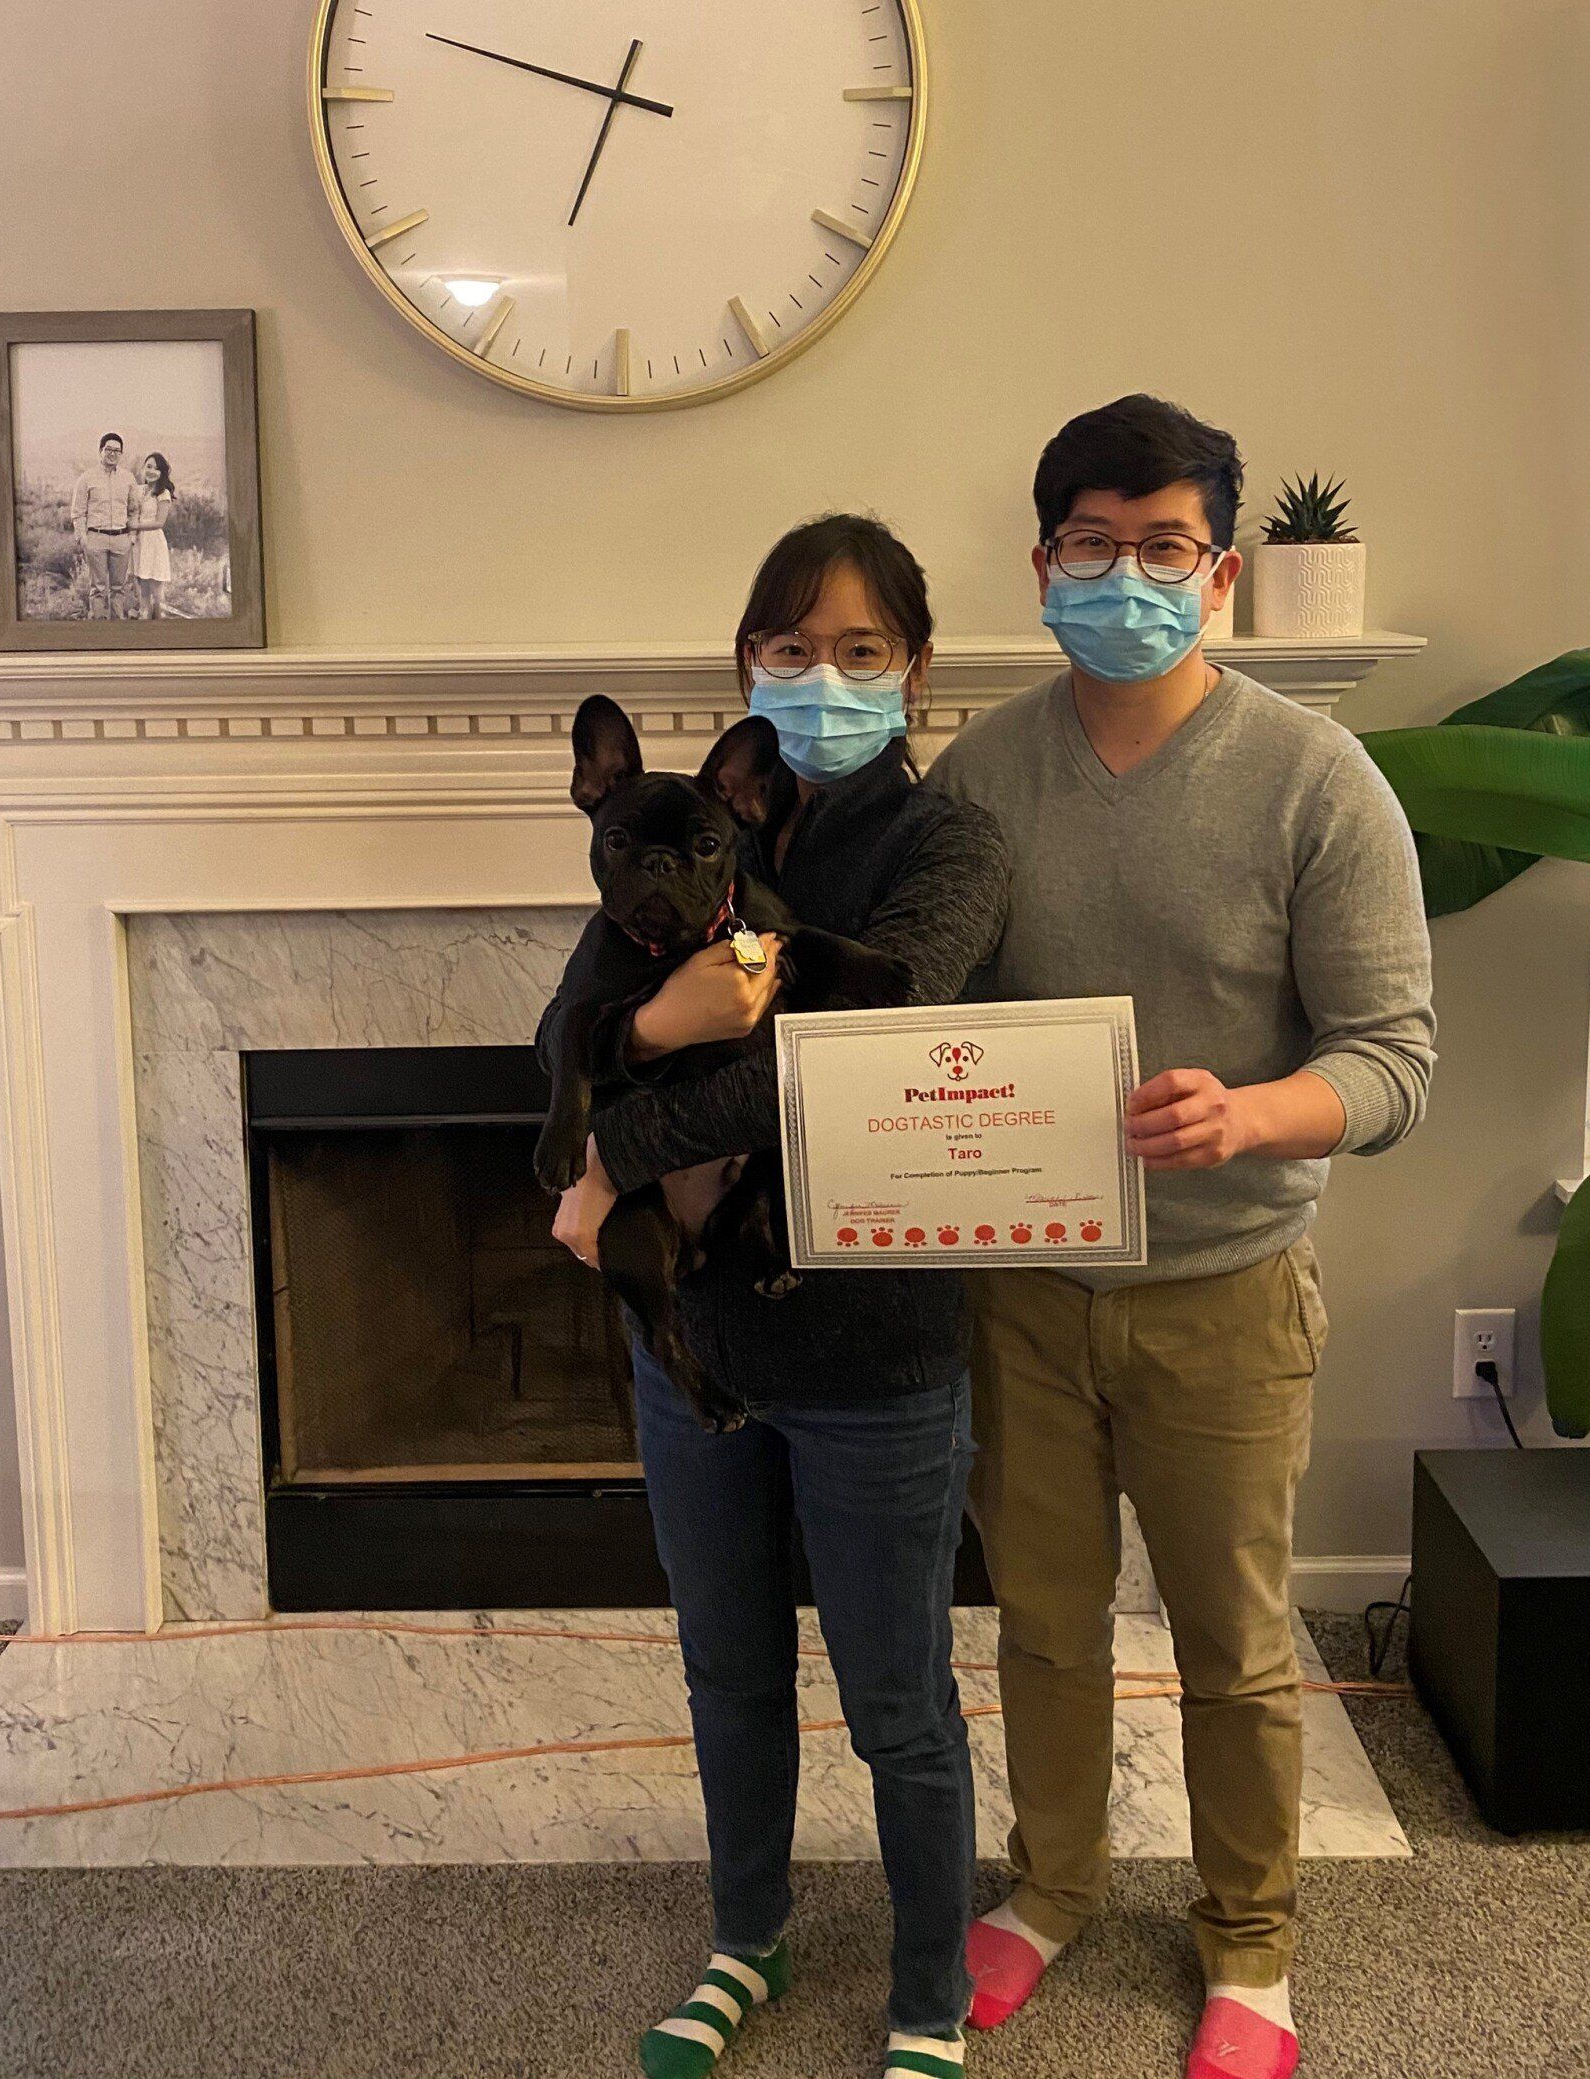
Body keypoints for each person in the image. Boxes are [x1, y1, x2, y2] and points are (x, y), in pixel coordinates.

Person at [926, 397, 1435, 2079]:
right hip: (1021, 1279)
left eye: (1162, 546)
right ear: (1042, 560)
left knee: (1232, 1634)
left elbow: (1391, 1060)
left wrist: (1253, 1110)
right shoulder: (984, 770)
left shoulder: (1316, 777)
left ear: (1218, 569)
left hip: (1224, 1285)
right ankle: (1052, 1878)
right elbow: (923, 1013)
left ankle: (1251, 1938)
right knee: (1045, 1617)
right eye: (1092, 542)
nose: (1124, 573)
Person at [541, 514, 1010, 2079]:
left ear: (916, 667)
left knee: (897, 1694)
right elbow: (569, 1026)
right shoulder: (679, 817)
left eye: (862, 648)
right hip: (697, 1343)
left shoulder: (951, 846)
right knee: (727, 1665)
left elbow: (863, 1062)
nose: (824, 676)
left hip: (875, 1342)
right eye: (791, 648)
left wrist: (612, 1145)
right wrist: (651, 1034)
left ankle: (929, 1991)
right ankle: (746, 1935)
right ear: (746, 670)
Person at [70, 431, 138, 619]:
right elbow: (78, 512)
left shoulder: (128, 478)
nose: (113, 453)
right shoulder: (86, 478)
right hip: (96, 538)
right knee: (98, 588)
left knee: (119, 587)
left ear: (121, 454)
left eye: (117, 450)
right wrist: (83, 538)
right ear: (101, 451)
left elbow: (134, 509)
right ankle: (99, 633)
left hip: (121, 539)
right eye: (108, 449)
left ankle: (117, 631)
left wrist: (132, 536)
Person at [130, 451, 176, 619]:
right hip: (140, 543)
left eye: (156, 469)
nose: (151, 471)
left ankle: (158, 625)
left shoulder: (163, 493)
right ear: (143, 468)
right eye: (148, 467)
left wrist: (136, 526)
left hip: (154, 542)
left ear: (162, 473)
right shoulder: (139, 490)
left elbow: (159, 522)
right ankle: (144, 621)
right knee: (142, 588)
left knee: (156, 592)